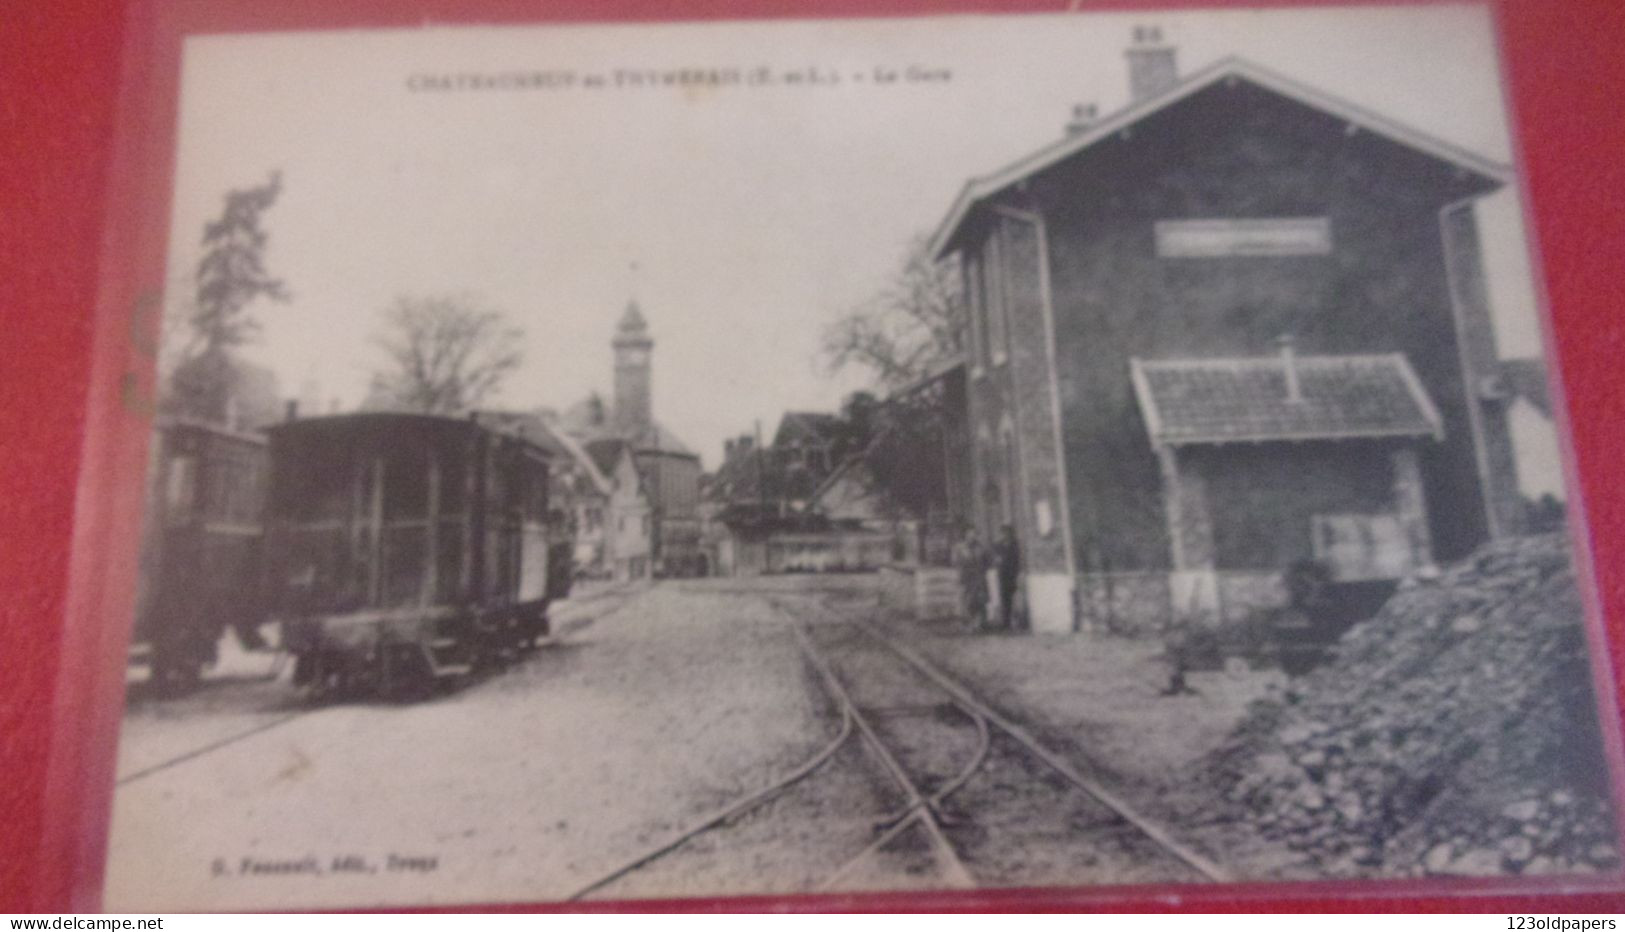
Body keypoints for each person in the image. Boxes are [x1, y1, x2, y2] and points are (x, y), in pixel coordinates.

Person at [953, 528, 989, 630]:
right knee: (966, 600)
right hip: (965, 578)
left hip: (978, 577)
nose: (972, 536)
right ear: (965, 535)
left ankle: (980, 623)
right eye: (970, 534)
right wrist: (962, 571)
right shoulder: (959, 548)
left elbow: (987, 561)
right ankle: (966, 623)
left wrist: (982, 571)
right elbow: (956, 562)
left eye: (974, 534)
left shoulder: (981, 548)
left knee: (979, 599)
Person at [992, 523, 1022, 631]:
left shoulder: (1014, 545)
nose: (1005, 535)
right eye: (1003, 533)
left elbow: (1017, 560)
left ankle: (1015, 621)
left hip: (1012, 575)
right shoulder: (998, 545)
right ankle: (1006, 622)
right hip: (1002, 576)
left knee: (1013, 599)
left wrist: (1017, 573)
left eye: (1007, 533)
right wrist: (997, 562)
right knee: (1004, 599)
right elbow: (995, 558)